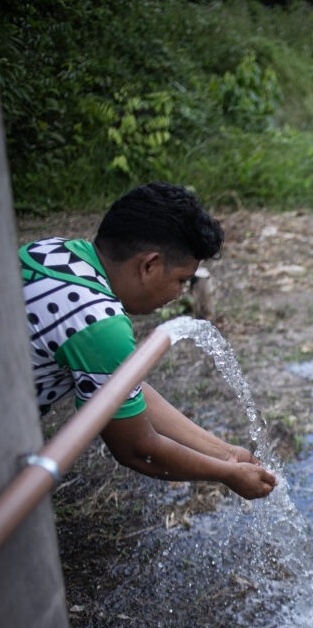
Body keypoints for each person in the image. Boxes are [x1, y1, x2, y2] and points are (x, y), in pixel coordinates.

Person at [19, 181, 278, 501]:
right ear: (150, 265)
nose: (180, 293)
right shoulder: (100, 324)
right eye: (181, 280)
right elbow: (138, 449)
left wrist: (225, 453)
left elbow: (122, 386)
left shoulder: (50, 252)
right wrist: (225, 474)